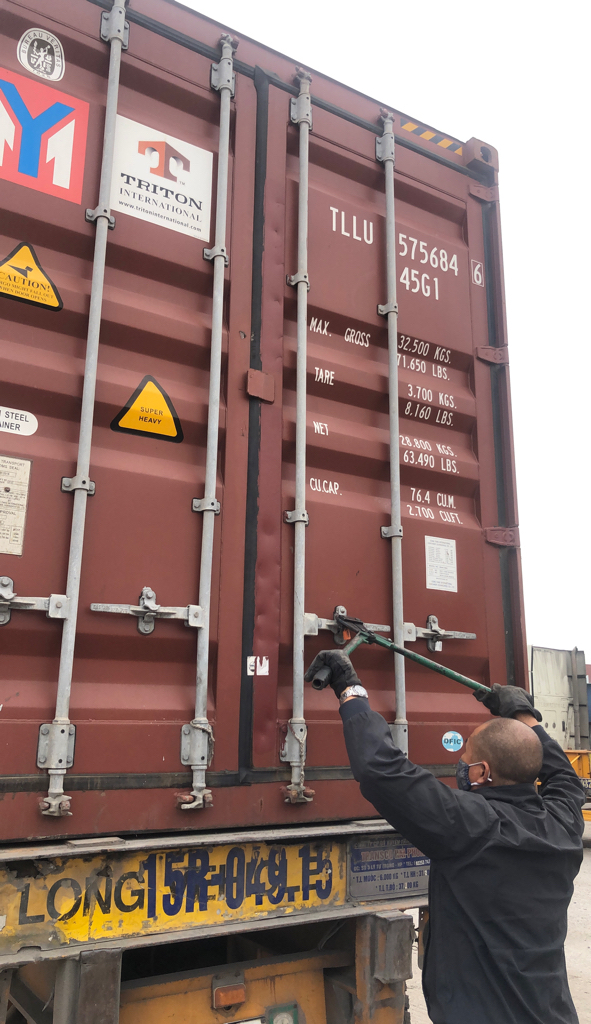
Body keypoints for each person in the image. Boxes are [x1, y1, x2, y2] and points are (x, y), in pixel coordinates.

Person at [304, 651, 585, 1024]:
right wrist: (524, 716)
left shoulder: (472, 827)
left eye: (465, 756)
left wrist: (350, 690)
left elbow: (382, 771)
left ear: (481, 772)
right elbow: (565, 778)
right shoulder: (564, 824)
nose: (461, 763)